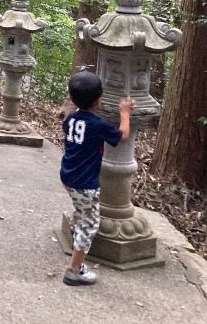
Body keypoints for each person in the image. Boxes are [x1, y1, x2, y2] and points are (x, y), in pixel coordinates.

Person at [59, 70, 133, 286]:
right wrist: (125, 113)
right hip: (85, 183)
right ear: (98, 100)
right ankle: (74, 270)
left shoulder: (71, 118)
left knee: (82, 212)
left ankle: (77, 244)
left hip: (68, 176)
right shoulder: (97, 125)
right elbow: (123, 136)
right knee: (90, 224)